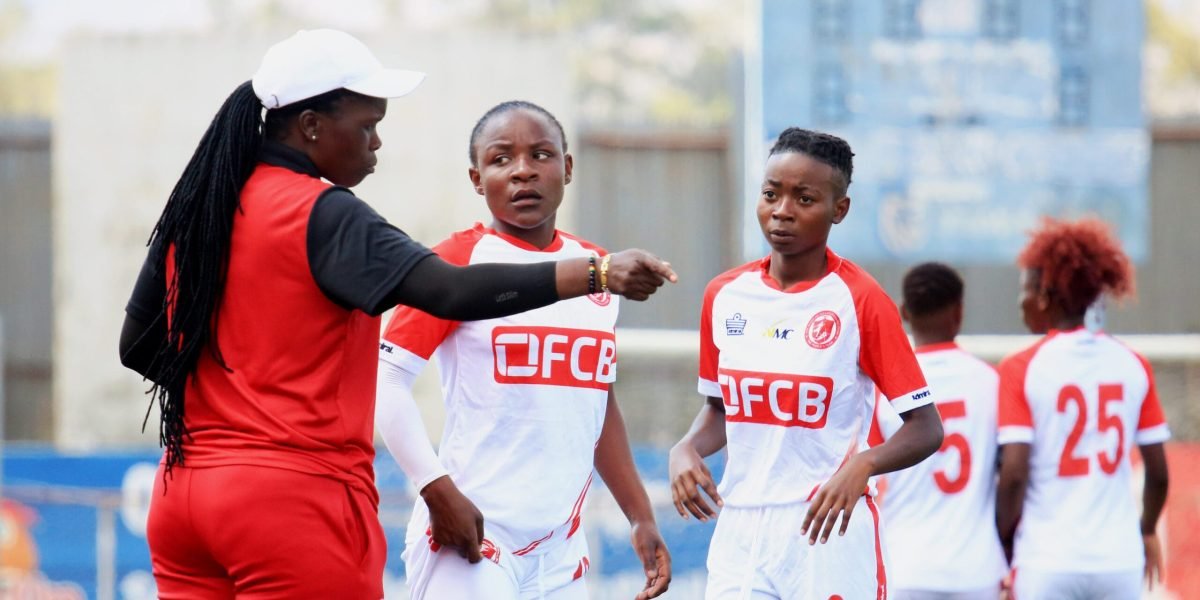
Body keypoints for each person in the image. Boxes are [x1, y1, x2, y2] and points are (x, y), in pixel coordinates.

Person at [117, 30, 676, 599]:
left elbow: (136, 347)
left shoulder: (204, 206)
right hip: (290, 500)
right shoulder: (323, 212)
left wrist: (239, 389)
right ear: (311, 125)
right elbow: (451, 291)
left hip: (184, 494)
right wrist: (597, 274)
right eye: (366, 126)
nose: (377, 143)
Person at [376, 100, 671, 600]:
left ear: (568, 167)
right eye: (500, 159)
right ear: (476, 178)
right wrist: (435, 489)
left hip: (561, 550)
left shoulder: (597, 267)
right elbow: (384, 378)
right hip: (472, 536)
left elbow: (596, 404)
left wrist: (640, 516)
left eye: (540, 155)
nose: (522, 172)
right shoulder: (457, 261)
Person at [668, 127, 944, 600]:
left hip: (826, 530)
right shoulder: (725, 295)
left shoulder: (861, 301)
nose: (782, 211)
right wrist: (685, 449)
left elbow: (926, 427)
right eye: (771, 194)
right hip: (743, 530)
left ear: (839, 209)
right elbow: (721, 411)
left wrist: (864, 464)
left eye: (804, 198)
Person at [995, 217, 1170, 600]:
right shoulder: (1132, 363)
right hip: (1119, 561)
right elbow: (1157, 474)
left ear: (1044, 295)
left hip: (1048, 558)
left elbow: (1013, 475)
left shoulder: (1021, 366)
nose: (1020, 300)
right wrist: (1146, 529)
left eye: (1026, 288)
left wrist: (1003, 542)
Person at [870, 263, 1007, 600]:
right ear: (959, 312)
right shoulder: (992, 383)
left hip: (906, 565)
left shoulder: (884, 390)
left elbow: (866, 480)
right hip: (976, 570)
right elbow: (1012, 469)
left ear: (904, 313)